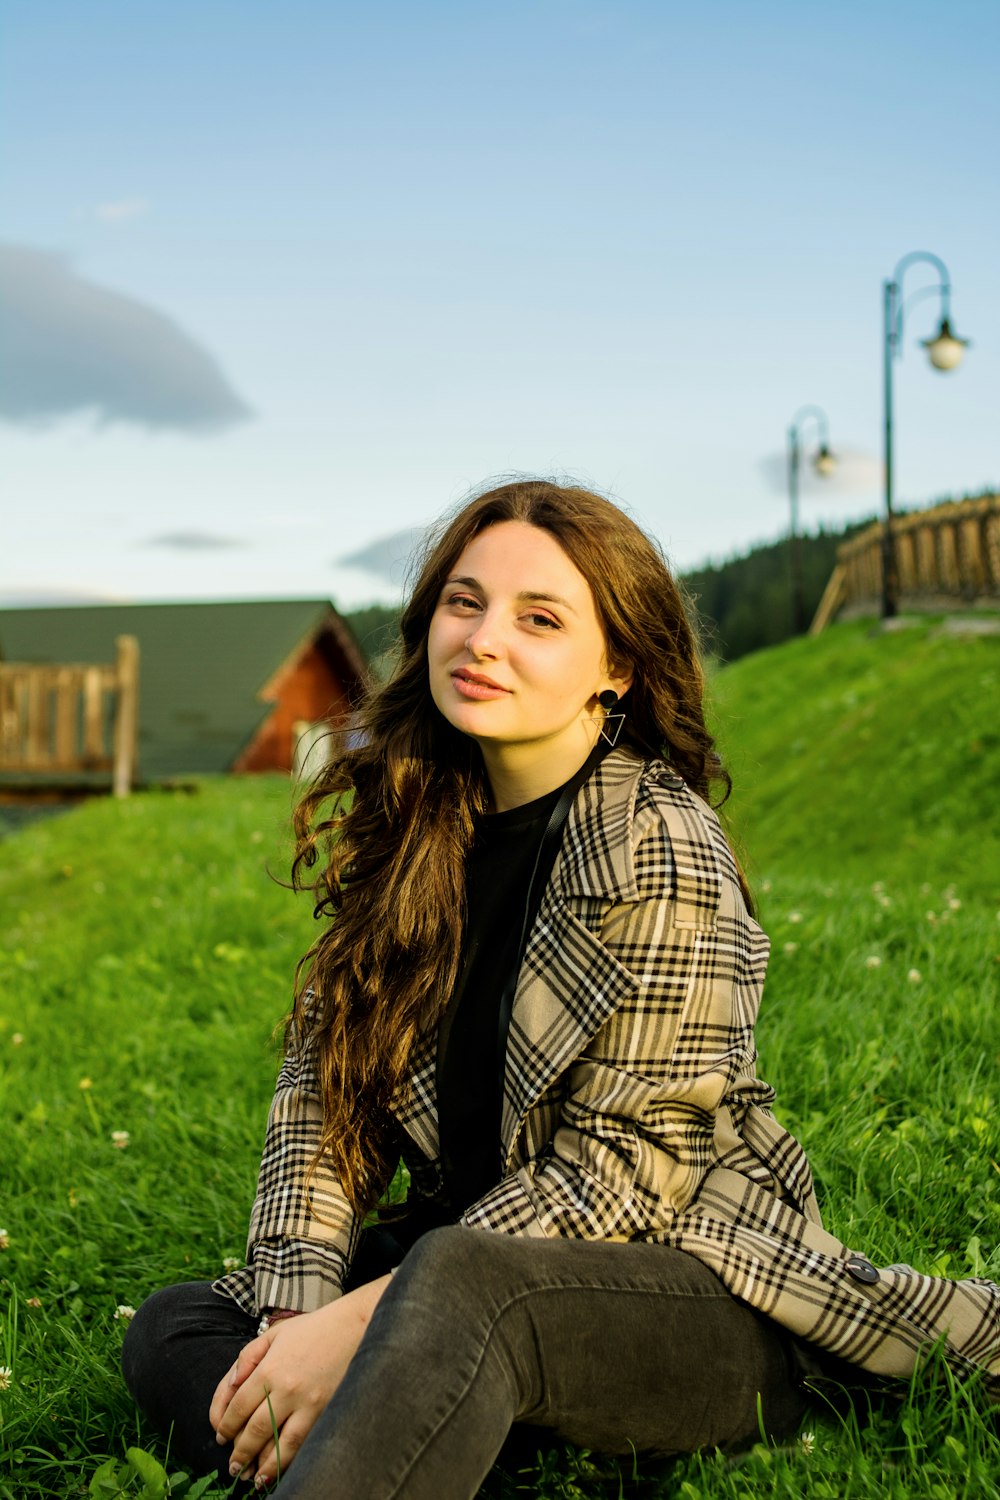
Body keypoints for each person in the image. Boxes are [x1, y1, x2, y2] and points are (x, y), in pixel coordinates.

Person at [122, 479, 999, 1498]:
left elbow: (622, 1174)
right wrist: (293, 1325)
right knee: (181, 1325)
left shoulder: (658, 842)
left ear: (614, 666)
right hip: (471, 1285)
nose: (484, 639)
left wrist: (363, 1324)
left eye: (539, 619)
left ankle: (394, 1433)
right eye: (464, 601)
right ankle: (433, 1454)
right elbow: (324, 1108)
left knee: (452, 1283)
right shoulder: (416, 821)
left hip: (683, 1294)